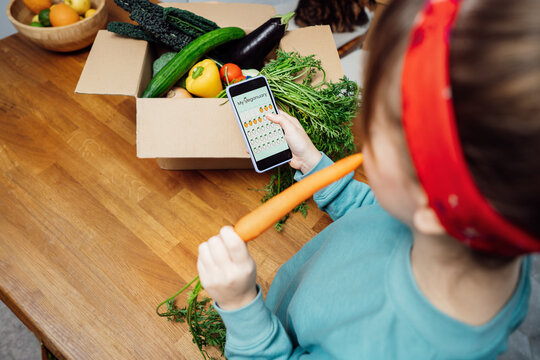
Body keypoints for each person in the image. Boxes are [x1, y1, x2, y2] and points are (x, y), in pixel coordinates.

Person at [196, 0, 540, 358]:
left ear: (431, 205)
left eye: (375, 131)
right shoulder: (481, 228)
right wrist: (318, 167)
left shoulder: (391, 348)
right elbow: (377, 214)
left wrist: (242, 309)